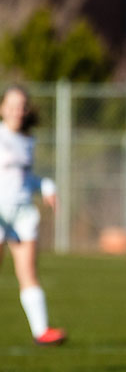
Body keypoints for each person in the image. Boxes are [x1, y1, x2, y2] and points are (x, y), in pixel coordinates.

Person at [0, 85, 67, 346]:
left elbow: (25, 179)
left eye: (22, 105)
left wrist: (45, 186)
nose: (18, 110)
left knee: (28, 272)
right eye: (13, 105)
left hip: (22, 213)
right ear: (2, 108)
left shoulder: (28, 140)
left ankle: (42, 331)